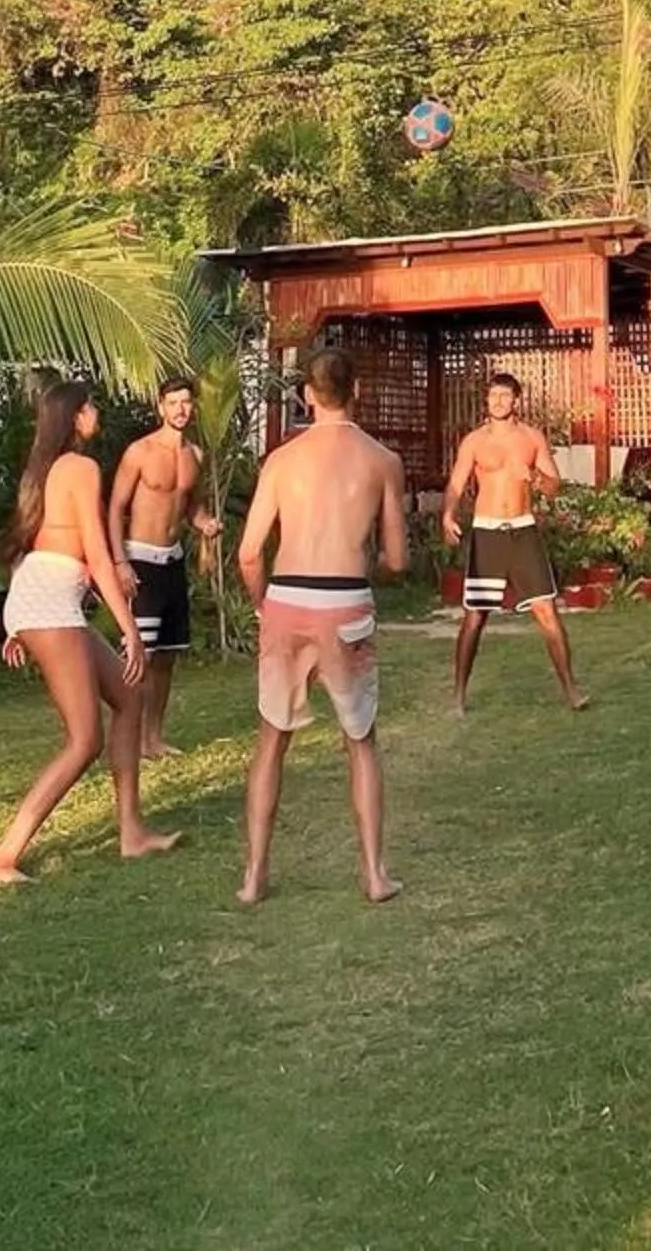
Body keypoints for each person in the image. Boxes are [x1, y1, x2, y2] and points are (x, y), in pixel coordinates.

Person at [0, 376, 182, 885]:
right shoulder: (81, 468)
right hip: (49, 605)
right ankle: (2, 860)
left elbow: (34, 544)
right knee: (84, 740)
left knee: (130, 698)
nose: (98, 415)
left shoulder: (44, 469)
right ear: (75, 416)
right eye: (91, 408)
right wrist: (130, 628)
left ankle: (132, 833)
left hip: (42, 599)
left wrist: (16, 620)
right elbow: (92, 549)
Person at [235, 346, 408, 906]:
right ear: (354, 389)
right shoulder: (381, 460)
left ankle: (255, 874)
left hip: (286, 599)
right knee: (361, 741)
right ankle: (375, 874)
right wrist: (366, 566)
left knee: (271, 741)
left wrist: (264, 606)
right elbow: (400, 560)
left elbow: (248, 554)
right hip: (345, 603)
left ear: (307, 395)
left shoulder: (281, 461)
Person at [442, 371, 588, 714]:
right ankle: (458, 696)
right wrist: (447, 515)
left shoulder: (531, 438)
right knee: (475, 616)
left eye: (505, 396)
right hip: (487, 531)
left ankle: (571, 690)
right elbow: (456, 483)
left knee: (547, 612)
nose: (498, 402)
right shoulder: (475, 441)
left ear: (516, 401)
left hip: (523, 530)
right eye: (493, 396)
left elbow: (555, 486)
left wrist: (535, 478)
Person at [109, 373, 223, 759]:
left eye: (186, 402)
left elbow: (190, 505)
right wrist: (120, 562)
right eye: (173, 403)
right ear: (160, 407)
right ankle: (128, 739)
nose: (181, 409)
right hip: (140, 560)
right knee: (139, 655)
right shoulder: (139, 452)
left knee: (167, 657)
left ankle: (152, 739)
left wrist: (205, 523)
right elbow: (114, 509)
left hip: (173, 562)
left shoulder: (196, 455)